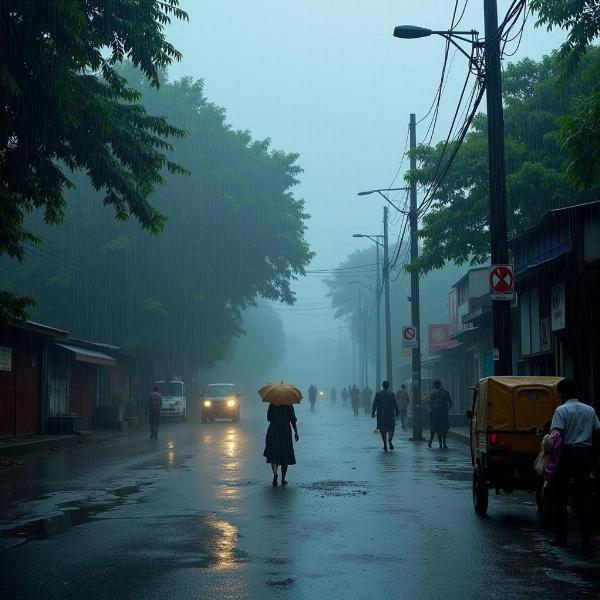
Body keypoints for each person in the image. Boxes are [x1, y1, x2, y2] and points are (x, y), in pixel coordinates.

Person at [549, 378, 600, 550]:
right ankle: (586, 540)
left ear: (563, 393)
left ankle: (561, 538)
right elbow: (597, 432)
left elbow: (557, 436)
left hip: (566, 455)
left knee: (561, 497)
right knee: (584, 497)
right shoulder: (590, 410)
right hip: (584, 456)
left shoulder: (561, 410)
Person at [263, 403, 300, 486]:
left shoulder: (272, 404)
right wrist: (296, 432)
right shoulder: (289, 405)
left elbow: (269, 418)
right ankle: (283, 479)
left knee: (273, 454)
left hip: (273, 431)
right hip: (285, 431)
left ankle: (275, 474)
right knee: (285, 454)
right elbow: (293, 420)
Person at [372, 381, 399, 451]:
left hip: (381, 414)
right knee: (391, 428)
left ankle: (385, 445)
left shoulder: (378, 394)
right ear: (388, 386)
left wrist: (373, 412)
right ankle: (389, 440)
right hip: (390, 414)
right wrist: (397, 411)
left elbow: (374, 403)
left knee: (382, 430)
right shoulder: (392, 394)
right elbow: (395, 403)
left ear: (382, 386)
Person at [429, 380, 452, 449]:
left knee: (439, 429)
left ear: (438, 385)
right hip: (441, 413)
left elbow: (450, 402)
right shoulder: (445, 392)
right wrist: (447, 409)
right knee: (442, 429)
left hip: (437, 413)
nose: (435, 387)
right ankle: (442, 443)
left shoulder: (433, 393)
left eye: (435, 385)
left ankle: (441, 443)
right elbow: (450, 403)